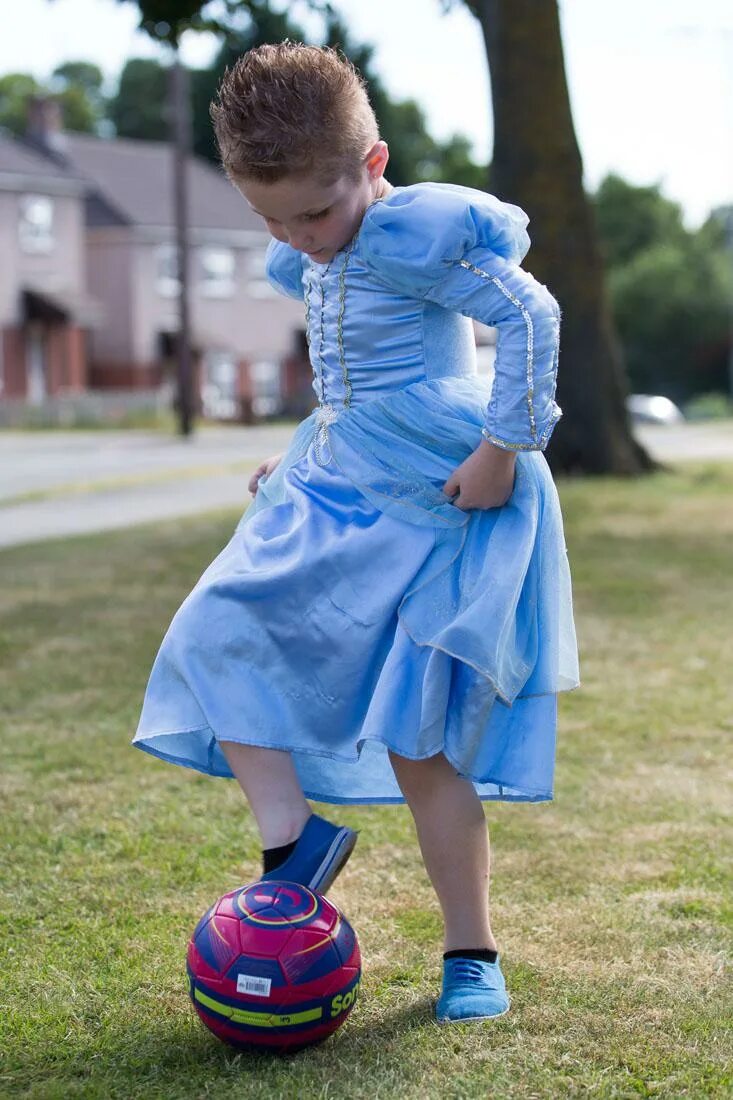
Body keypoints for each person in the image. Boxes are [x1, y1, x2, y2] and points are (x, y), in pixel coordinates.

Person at [132, 41, 580, 1026]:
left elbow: (532, 313)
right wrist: (299, 458)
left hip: (437, 491)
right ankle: (295, 843)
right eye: (272, 219)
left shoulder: (413, 235)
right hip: (340, 477)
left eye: (315, 212)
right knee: (216, 627)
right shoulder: (310, 240)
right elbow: (344, 385)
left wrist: (503, 448)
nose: (301, 239)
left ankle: (471, 948)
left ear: (371, 167)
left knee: (418, 742)